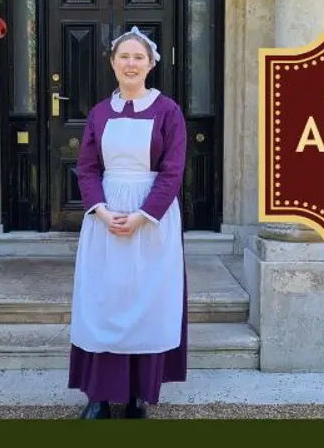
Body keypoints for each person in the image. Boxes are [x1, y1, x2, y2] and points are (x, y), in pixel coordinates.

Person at [67, 27, 188, 419]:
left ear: (151, 64)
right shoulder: (100, 113)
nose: (131, 63)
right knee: (103, 302)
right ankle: (99, 396)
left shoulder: (168, 111)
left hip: (151, 219)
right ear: (112, 63)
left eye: (138, 57)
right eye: (124, 57)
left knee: (146, 303)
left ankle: (138, 396)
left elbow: (172, 171)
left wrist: (142, 215)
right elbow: (86, 168)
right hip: (105, 219)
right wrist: (101, 211)